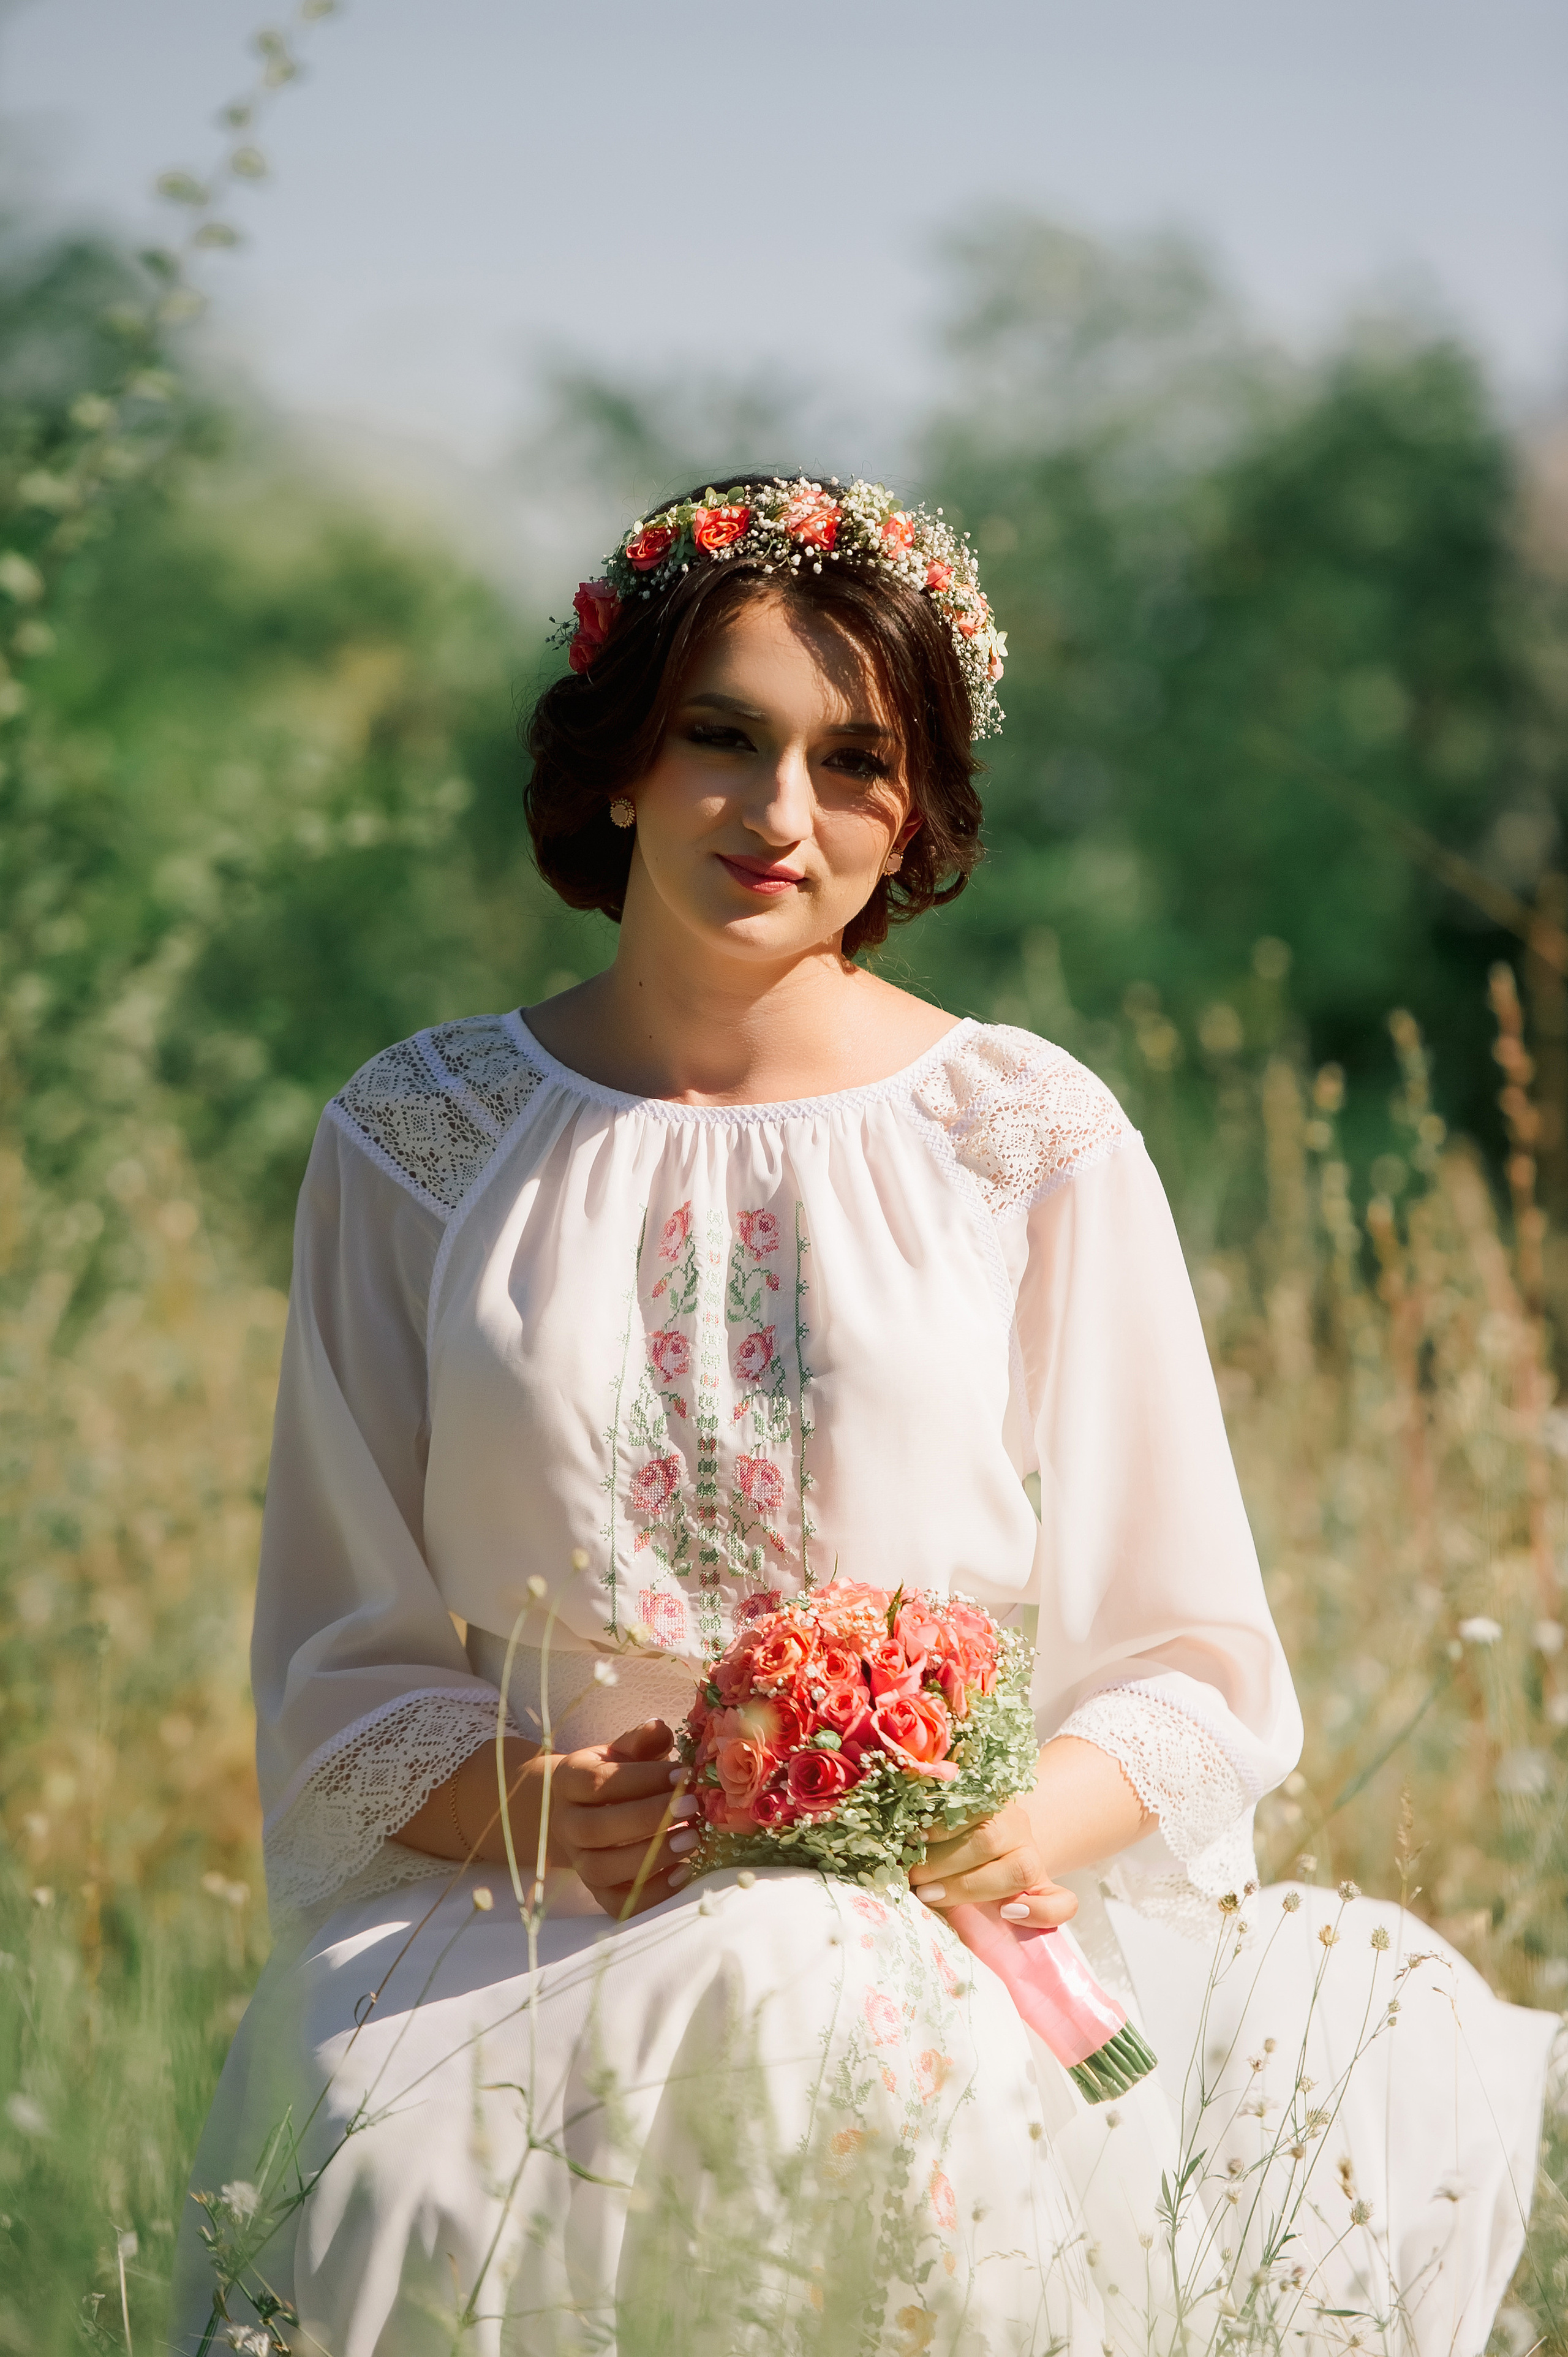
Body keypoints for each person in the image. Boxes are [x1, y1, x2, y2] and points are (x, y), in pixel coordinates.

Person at [173, 475, 1555, 2357]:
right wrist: (539, 1812)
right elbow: (343, 1653)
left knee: (909, 2131)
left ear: (915, 811)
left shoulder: (1023, 1135)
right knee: (405, 2189)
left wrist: (1009, 1835)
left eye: (854, 761)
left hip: (947, 1930)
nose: (780, 814)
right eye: (722, 739)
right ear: (619, 763)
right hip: (528, 1922)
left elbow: (1193, 1660)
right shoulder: (417, 1141)